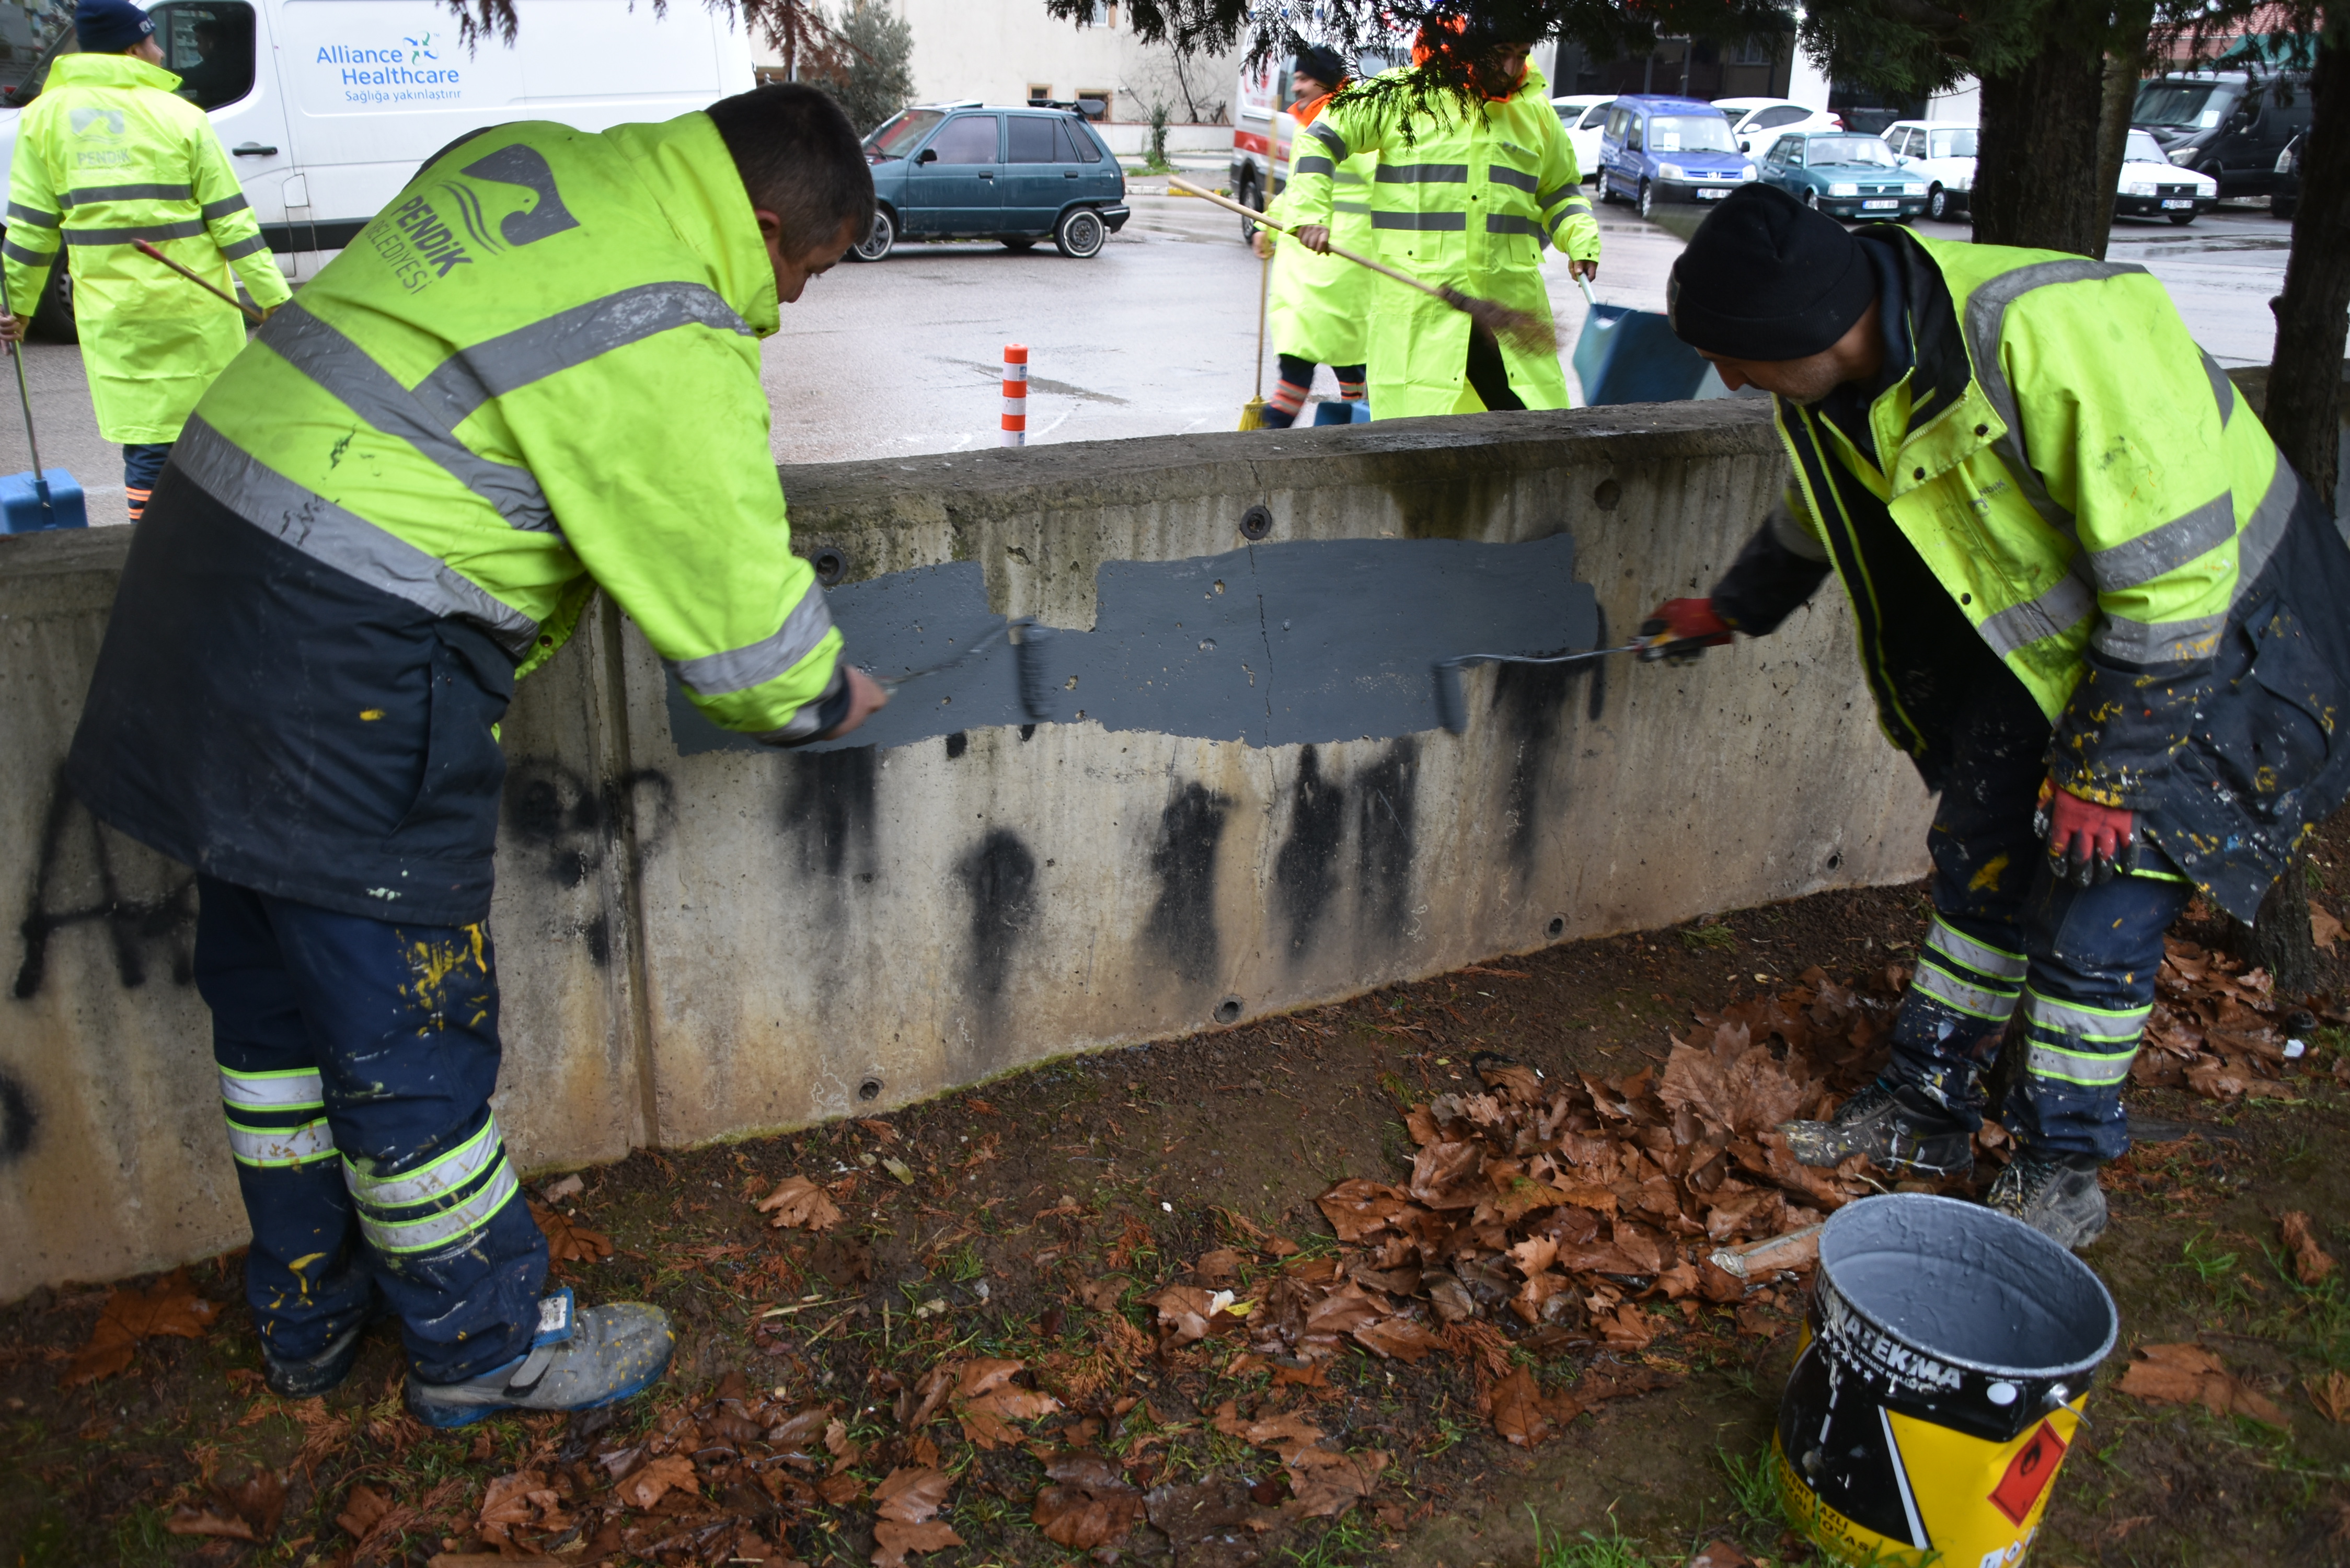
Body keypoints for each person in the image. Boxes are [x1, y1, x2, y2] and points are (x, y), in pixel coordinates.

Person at [61, 83, 890, 1424]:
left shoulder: (533, 161)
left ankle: (306, 1313)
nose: (792, 302)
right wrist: (827, 690)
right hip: (346, 659)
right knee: (409, 1024)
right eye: (809, 265)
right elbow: (743, 635)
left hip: (198, 582)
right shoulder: (668, 315)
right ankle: (486, 1343)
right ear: (762, 219)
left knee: (275, 1016)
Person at [1644, 182, 2350, 1248]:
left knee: (2091, 910)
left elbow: (2174, 588)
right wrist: (1732, 608)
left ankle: (2060, 1167)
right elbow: (1820, 510)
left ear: (1809, 331)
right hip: (2061, 647)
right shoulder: (1838, 383)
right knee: (1977, 856)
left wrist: (2104, 771)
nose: (1731, 380)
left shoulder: (2049, 336)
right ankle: (1923, 1108)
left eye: (1737, 358)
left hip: (2218, 650)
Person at [0, 0, 290, 522]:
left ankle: (147, 560)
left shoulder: (43, 117)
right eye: (154, 42)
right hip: (196, 311)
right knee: (215, 440)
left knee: (149, 449)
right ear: (133, 48)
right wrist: (276, 301)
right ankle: (222, 552)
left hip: (117, 321)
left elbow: (29, 229)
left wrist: (16, 310)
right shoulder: (180, 116)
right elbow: (233, 225)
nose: (160, 53)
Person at [1284, 20, 1597, 419]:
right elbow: (1320, 138)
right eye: (1501, 51)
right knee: (1419, 451)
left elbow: (1561, 190)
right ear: (1464, 48)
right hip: (1420, 316)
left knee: (1532, 441)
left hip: (1505, 313)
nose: (1511, 67)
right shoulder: (1401, 96)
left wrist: (1581, 241)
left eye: (1521, 54)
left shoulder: (1535, 114)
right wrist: (1310, 213)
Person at [1248, 46, 1372, 428]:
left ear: (1323, 82)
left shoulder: (1344, 122)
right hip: (1322, 263)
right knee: (1342, 355)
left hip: (1333, 261)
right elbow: (1300, 191)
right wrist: (1265, 225)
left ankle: (1271, 435)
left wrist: (1273, 226)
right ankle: (1356, 421)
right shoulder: (1315, 122)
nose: (1296, 87)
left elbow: (1365, 189)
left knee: (1307, 355)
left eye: (1302, 79)